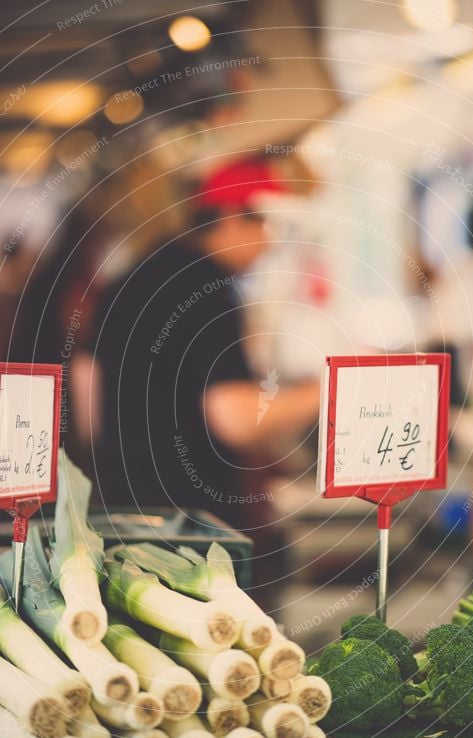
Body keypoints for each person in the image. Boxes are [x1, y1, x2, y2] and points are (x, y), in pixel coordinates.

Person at [85, 159, 320, 526]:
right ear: (228, 217)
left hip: (120, 508)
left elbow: (87, 399)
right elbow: (236, 419)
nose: (269, 244)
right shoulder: (208, 288)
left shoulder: (128, 279)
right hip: (189, 522)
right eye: (267, 225)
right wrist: (327, 391)